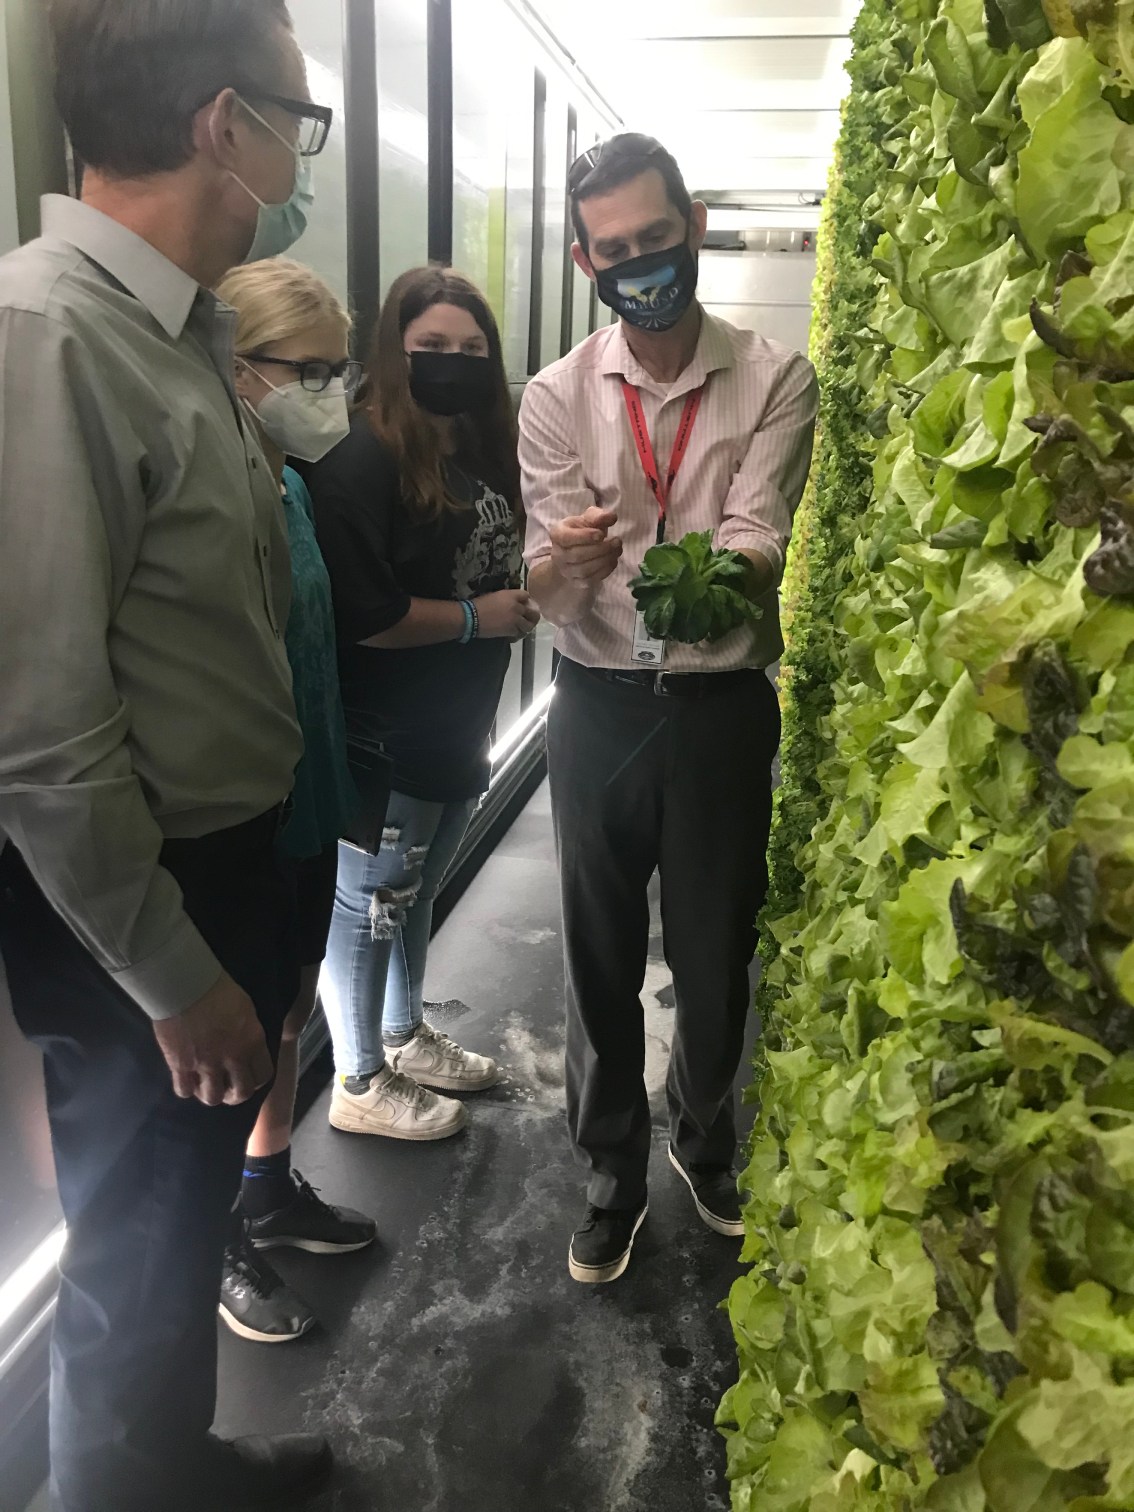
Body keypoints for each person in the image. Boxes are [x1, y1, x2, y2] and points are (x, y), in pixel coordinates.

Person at [0, 3, 337, 1506]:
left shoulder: (186, 329)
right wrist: (173, 974)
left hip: (221, 874)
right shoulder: (50, 336)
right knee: (135, 1256)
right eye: (294, 123)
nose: (291, 159)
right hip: (145, 907)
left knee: (176, 1227)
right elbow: (41, 738)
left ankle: (172, 1467)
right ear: (223, 124)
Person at [519, 133, 818, 1286]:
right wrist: (559, 573)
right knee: (594, 951)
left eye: (657, 239)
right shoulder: (555, 398)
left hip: (719, 711)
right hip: (596, 703)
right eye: (616, 251)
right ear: (589, 260)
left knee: (715, 948)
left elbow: (755, 545)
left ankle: (703, 1141)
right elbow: (547, 585)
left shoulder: (775, 377)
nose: (642, 265)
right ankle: (609, 1176)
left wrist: (690, 577)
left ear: (692, 227)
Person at [305, 267, 538, 1142]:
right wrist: (481, 619)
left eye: (472, 350)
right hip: (388, 738)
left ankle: (402, 1035)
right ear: (393, 353)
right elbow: (362, 619)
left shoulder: (471, 452)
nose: (453, 363)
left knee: (417, 892)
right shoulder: (362, 462)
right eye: (433, 347)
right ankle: (359, 1077)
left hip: (455, 723)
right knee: (370, 906)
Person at [213, 257, 377, 1344]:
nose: (332, 392)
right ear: (237, 367)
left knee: (285, 1007)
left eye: (339, 369)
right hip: (239, 819)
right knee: (223, 1039)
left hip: (307, 798)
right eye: (305, 370)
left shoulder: (290, 484)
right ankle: (214, 1234)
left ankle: (267, 1189)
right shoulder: (214, 493)